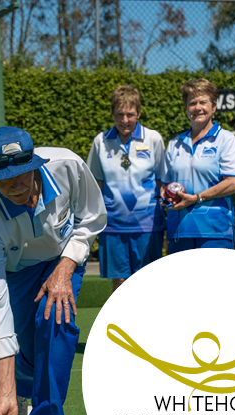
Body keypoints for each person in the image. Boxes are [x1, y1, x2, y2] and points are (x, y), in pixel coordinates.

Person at [0, 127, 106, 415]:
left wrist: (64, 268)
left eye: (20, 174)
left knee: (56, 323)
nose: (14, 185)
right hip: (17, 272)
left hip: (65, 257)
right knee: (25, 348)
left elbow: (92, 218)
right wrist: (6, 392)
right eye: (2, 179)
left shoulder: (68, 165)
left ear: (34, 165)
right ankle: (24, 392)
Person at [86, 85, 167, 290]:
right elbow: (96, 183)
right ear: (112, 113)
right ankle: (121, 323)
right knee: (120, 284)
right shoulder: (100, 141)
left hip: (148, 224)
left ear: (138, 112)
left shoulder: (153, 139)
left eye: (130, 115)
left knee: (148, 282)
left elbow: (162, 180)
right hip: (113, 225)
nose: (124, 121)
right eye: (119, 114)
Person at [161, 78, 235, 253]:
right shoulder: (175, 143)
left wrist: (197, 197)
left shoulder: (225, 139)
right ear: (186, 108)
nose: (198, 107)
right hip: (179, 230)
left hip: (214, 231)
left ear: (213, 107)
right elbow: (165, 184)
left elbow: (234, 183)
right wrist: (166, 196)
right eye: (192, 103)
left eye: (203, 102)